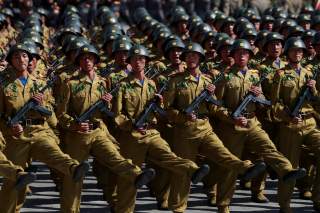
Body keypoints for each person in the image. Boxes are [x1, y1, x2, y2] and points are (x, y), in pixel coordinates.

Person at [164, 42, 267, 213]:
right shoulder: (175, 81)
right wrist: (182, 116)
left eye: (195, 56)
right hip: (184, 130)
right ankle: (179, 208)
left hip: (205, 126)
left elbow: (215, 106)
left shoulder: (208, 81)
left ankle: (246, 168)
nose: (191, 59)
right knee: (183, 171)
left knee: (222, 153)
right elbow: (167, 110)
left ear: (200, 59)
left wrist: (211, 95)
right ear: (184, 59)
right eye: (188, 56)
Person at [56, 44, 156, 213]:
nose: (87, 61)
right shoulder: (70, 84)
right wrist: (74, 125)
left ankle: (137, 175)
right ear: (79, 62)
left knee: (115, 157)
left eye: (90, 58)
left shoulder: (103, 82)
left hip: (99, 131)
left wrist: (108, 102)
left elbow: (110, 111)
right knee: (74, 176)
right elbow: (60, 113)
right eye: (83, 58)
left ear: (95, 61)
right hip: (78, 134)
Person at [114, 44, 210, 213]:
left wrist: (160, 104)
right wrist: (131, 126)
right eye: (134, 59)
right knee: (129, 177)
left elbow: (162, 112)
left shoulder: (152, 84)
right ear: (129, 62)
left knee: (169, 156)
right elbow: (117, 115)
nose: (138, 62)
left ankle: (193, 170)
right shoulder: (122, 85)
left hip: (152, 131)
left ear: (146, 62)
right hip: (132, 135)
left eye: (142, 59)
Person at [214, 39, 306, 213]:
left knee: (269, 148)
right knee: (230, 166)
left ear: (249, 56)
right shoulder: (225, 76)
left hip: (252, 122)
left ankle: (287, 170)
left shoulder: (255, 75)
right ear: (233, 55)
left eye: (245, 53)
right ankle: (223, 204)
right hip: (232, 126)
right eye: (239, 53)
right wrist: (231, 119)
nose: (242, 56)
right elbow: (215, 106)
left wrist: (259, 95)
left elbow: (264, 104)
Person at [0, 44, 89, 213]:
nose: (21, 60)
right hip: (16, 136)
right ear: (11, 61)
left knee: (55, 154)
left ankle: (73, 168)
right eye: (17, 57)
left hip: (40, 131)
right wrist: (9, 128)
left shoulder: (40, 84)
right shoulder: (4, 85)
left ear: (30, 59)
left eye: (25, 56)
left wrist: (42, 104)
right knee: (14, 182)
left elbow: (52, 116)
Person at [271, 37, 320, 213]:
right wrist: (288, 117)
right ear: (287, 53)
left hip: (309, 122)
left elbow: (317, 102)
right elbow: (275, 104)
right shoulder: (280, 74)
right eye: (294, 50)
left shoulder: (309, 73)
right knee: (290, 167)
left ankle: (318, 198)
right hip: (290, 125)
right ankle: (285, 205)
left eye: (300, 51)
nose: (297, 53)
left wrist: (314, 90)